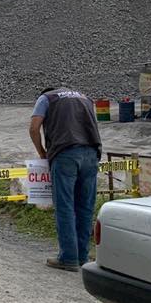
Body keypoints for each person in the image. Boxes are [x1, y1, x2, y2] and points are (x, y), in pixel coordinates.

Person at [29, 87, 102, 272]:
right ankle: (82, 256)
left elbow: (34, 128)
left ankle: (68, 257)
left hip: (65, 154)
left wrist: (42, 152)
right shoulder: (85, 97)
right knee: (85, 206)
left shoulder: (46, 99)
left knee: (65, 206)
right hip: (91, 153)